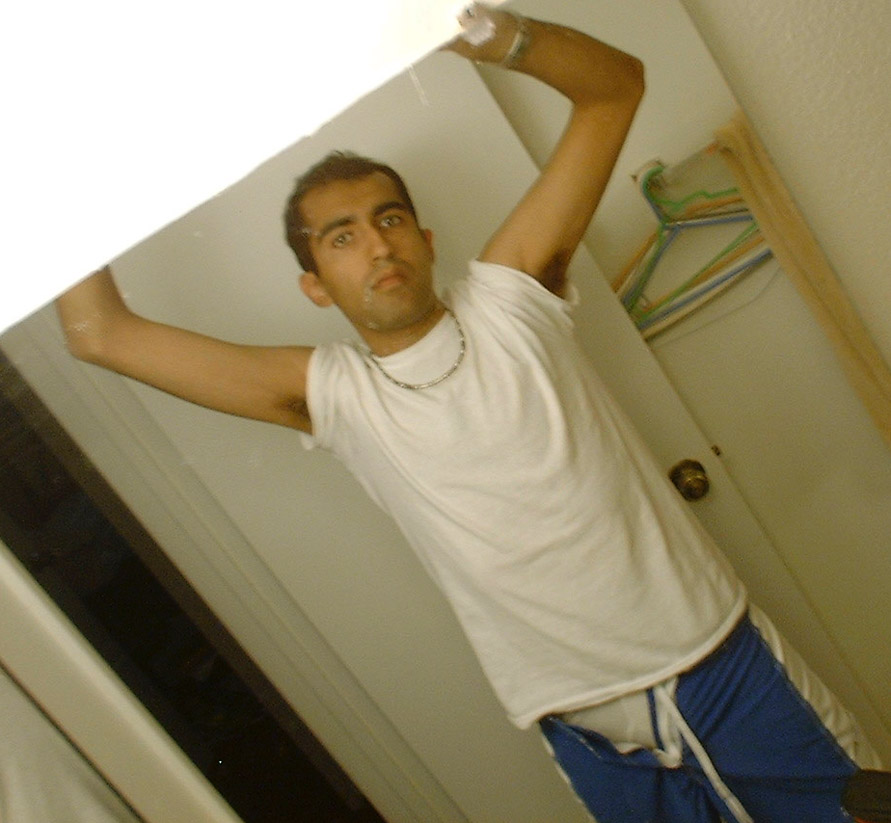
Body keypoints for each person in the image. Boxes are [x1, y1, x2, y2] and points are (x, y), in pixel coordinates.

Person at [56, 5, 884, 821]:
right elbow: (99, 334)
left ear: (423, 239)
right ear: (315, 286)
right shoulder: (337, 394)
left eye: (387, 219)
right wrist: (47, 144)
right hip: (588, 733)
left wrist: (462, 24)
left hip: (717, 667)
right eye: (341, 238)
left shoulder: (509, 299)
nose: (376, 245)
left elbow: (614, 89)